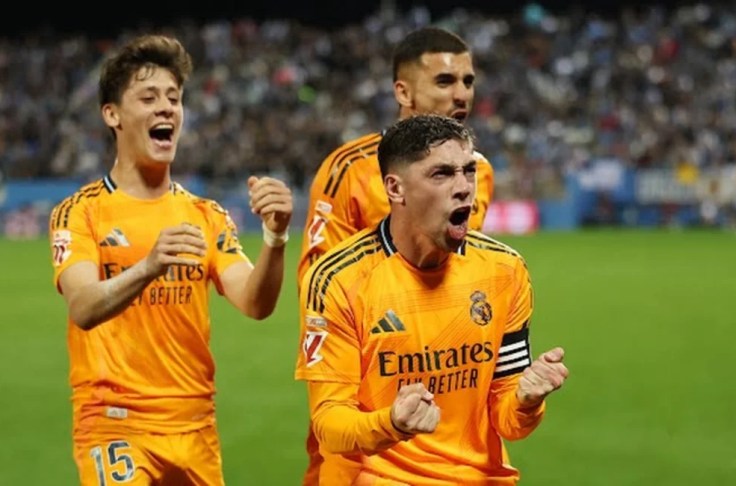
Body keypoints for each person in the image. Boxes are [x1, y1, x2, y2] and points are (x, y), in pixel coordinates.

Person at [48, 34, 293, 485]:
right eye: (149, 97)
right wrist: (148, 266)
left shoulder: (206, 215)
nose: (166, 108)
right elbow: (82, 307)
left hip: (195, 425)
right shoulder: (81, 212)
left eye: (174, 98)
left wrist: (275, 239)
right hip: (115, 424)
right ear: (112, 114)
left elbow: (255, 303)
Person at [295, 115, 568, 485]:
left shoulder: (504, 271)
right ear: (396, 189)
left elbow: (510, 421)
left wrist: (527, 399)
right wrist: (391, 423)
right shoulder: (339, 279)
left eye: (468, 171)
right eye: (441, 174)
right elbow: (330, 423)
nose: (464, 188)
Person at [297, 26, 495, 283]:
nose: (462, 95)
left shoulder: (479, 170)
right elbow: (319, 283)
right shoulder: (350, 169)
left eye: (468, 82)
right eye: (444, 81)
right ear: (403, 92)